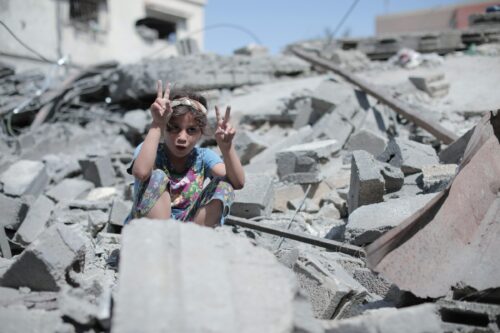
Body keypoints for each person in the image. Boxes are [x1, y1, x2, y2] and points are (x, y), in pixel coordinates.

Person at [126, 80, 245, 227]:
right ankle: (163, 242)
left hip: (188, 230)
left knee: (224, 186)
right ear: (165, 128)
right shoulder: (150, 149)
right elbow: (142, 172)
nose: (182, 137)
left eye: (191, 130)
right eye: (174, 128)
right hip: (150, 230)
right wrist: (157, 124)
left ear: (201, 132)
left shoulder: (203, 156)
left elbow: (237, 182)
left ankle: (194, 241)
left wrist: (227, 148)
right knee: (157, 176)